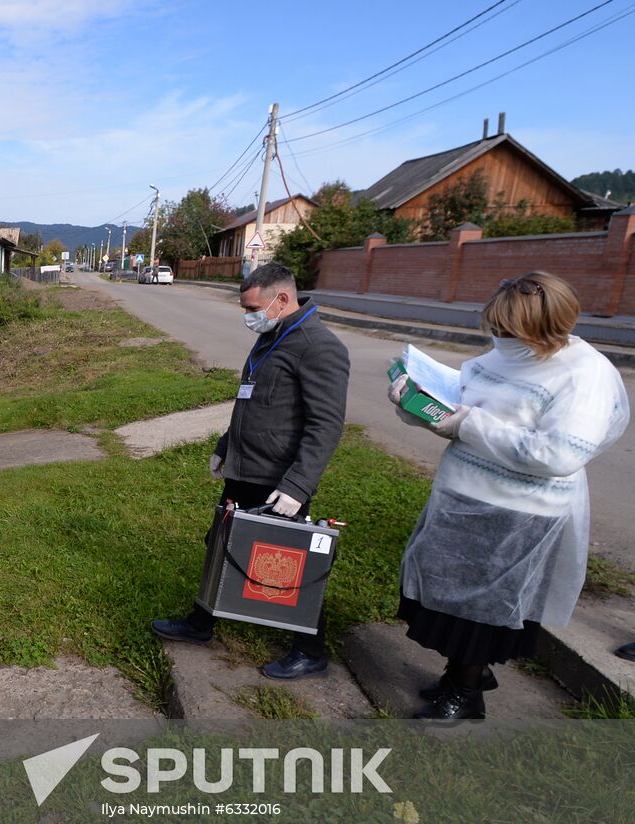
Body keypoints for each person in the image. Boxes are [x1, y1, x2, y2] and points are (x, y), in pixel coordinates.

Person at [389, 272, 629, 720]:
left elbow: (560, 454)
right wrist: (417, 407)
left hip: (518, 513)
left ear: (545, 328)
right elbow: (461, 403)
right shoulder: (504, 354)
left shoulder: (585, 375)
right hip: (460, 496)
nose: (499, 339)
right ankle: (461, 674)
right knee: (440, 600)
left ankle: (466, 692)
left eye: (508, 331)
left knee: (479, 612)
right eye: (495, 329)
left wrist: (467, 425)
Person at [152, 262, 350, 679]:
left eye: (253, 308)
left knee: (289, 561)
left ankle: (311, 649)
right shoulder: (270, 336)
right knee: (222, 543)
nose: (248, 317)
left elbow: (326, 424)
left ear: (282, 299)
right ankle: (201, 623)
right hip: (245, 469)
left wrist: (298, 483)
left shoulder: (318, 346)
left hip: (279, 482)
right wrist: (226, 447)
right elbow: (251, 401)